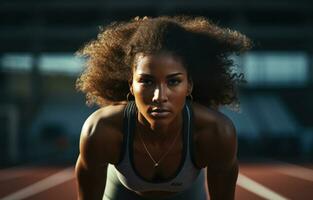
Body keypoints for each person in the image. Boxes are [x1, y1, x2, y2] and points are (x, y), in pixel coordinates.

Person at [75, 16, 251, 200]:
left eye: (173, 81)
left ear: (189, 85)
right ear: (131, 85)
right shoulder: (101, 131)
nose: (159, 96)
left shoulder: (216, 133)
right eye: (147, 81)